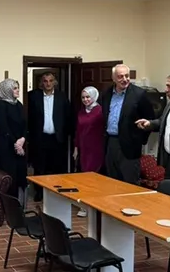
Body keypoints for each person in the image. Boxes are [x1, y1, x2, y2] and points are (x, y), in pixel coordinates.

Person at [101, 64, 156, 185]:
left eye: (127, 76)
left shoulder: (139, 94)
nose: (125, 79)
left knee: (130, 183)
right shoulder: (107, 93)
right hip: (111, 142)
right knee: (111, 182)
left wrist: (140, 139)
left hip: (130, 145)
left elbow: (150, 119)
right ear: (113, 78)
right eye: (120, 76)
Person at [27, 72, 70, 201]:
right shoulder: (34, 96)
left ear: (55, 82)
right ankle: (39, 193)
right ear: (41, 83)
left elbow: (68, 117)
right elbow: (29, 117)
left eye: (51, 81)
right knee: (40, 167)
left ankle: (56, 193)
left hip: (57, 139)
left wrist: (67, 135)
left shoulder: (62, 97)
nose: (48, 84)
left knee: (57, 167)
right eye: (45, 81)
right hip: (40, 138)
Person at [0, 78, 28, 204]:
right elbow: (3, 127)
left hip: (20, 146)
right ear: (7, 90)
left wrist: (22, 139)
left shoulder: (19, 105)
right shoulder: (1, 105)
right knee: (8, 177)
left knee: (20, 176)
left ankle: (19, 206)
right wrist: (16, 143)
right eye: (15, 88)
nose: (18, 90)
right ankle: (6, 207)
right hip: (5, 147)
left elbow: (25, 125)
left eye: (18, 88)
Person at [72, 86, 104, 217]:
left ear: (94, 97)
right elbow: (78, 131)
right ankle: (84, 204)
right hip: (84, 149)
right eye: (83, 97)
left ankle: (92, 205)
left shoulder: (100, 110)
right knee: (84, 176)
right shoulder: (81, 112)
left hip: (96, 148)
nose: (85, 100)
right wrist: (76, 148)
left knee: (92, 176)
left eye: (88, 97)